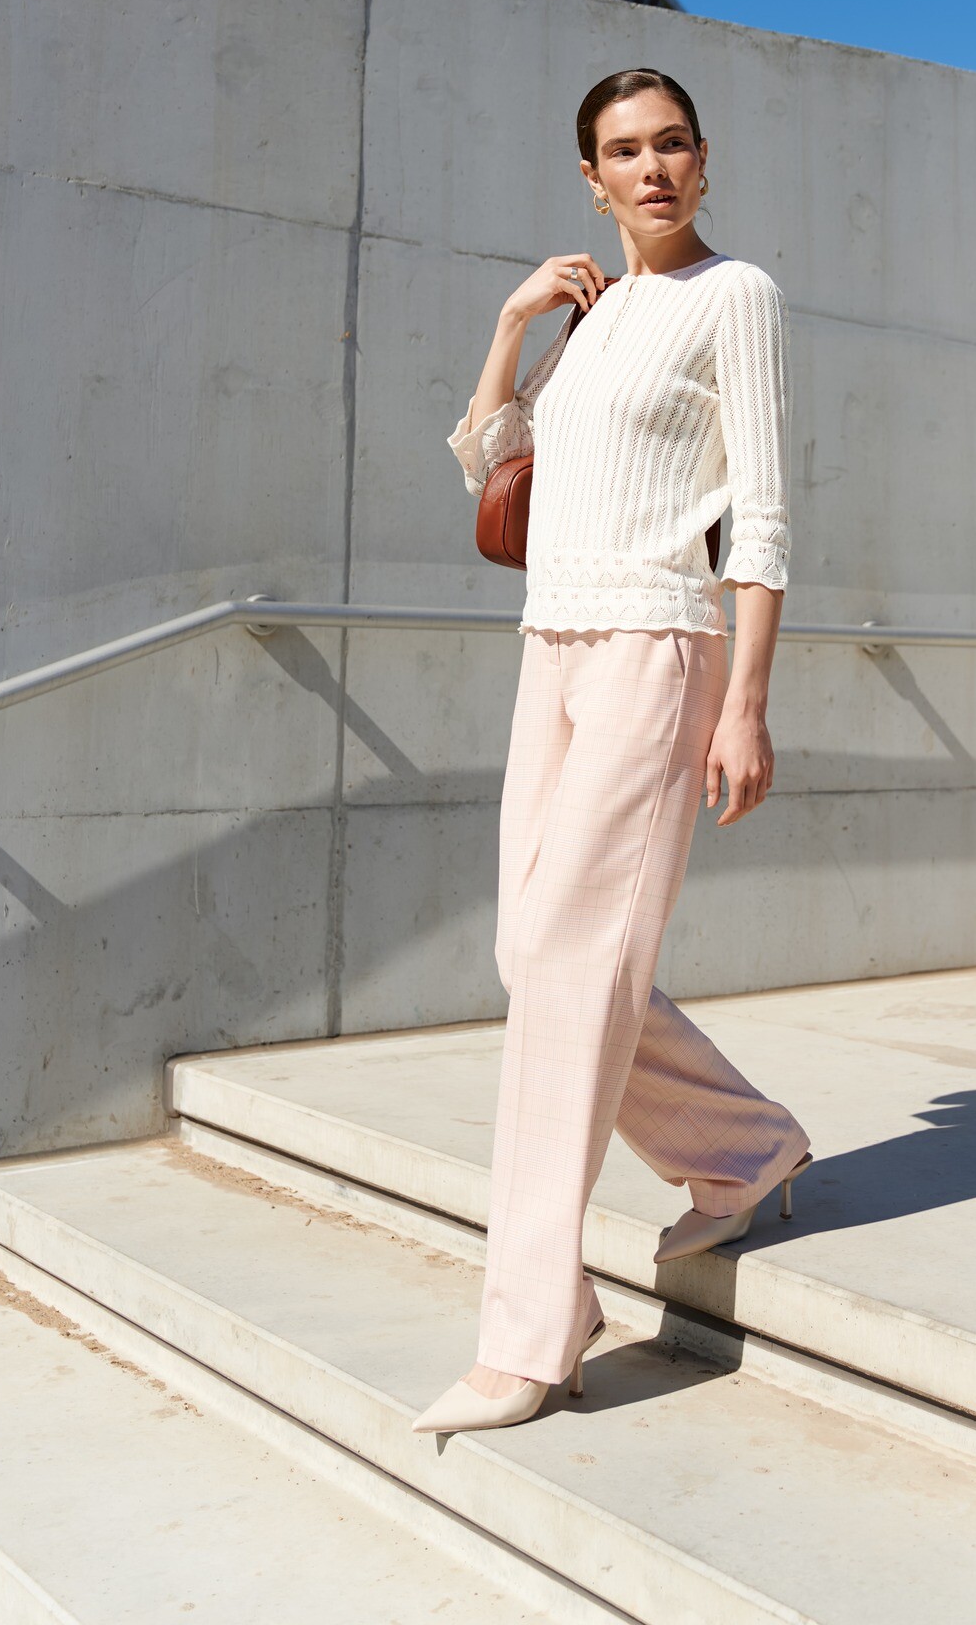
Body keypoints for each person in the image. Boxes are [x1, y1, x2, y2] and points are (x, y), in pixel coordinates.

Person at [412, 69, 812, 1439]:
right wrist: (513, 322)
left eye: (671, 144)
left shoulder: (734, 295)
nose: (652, 168)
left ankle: (531, 1329)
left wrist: (745, 701)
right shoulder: (596, 317)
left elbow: (761, 515)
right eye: (624, 152)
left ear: (703, 161)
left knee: (573, 963)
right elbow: (493, 465)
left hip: (656, 647)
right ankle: (747, 1148)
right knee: (534, 954)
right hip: (552, 647)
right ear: (591, 181)